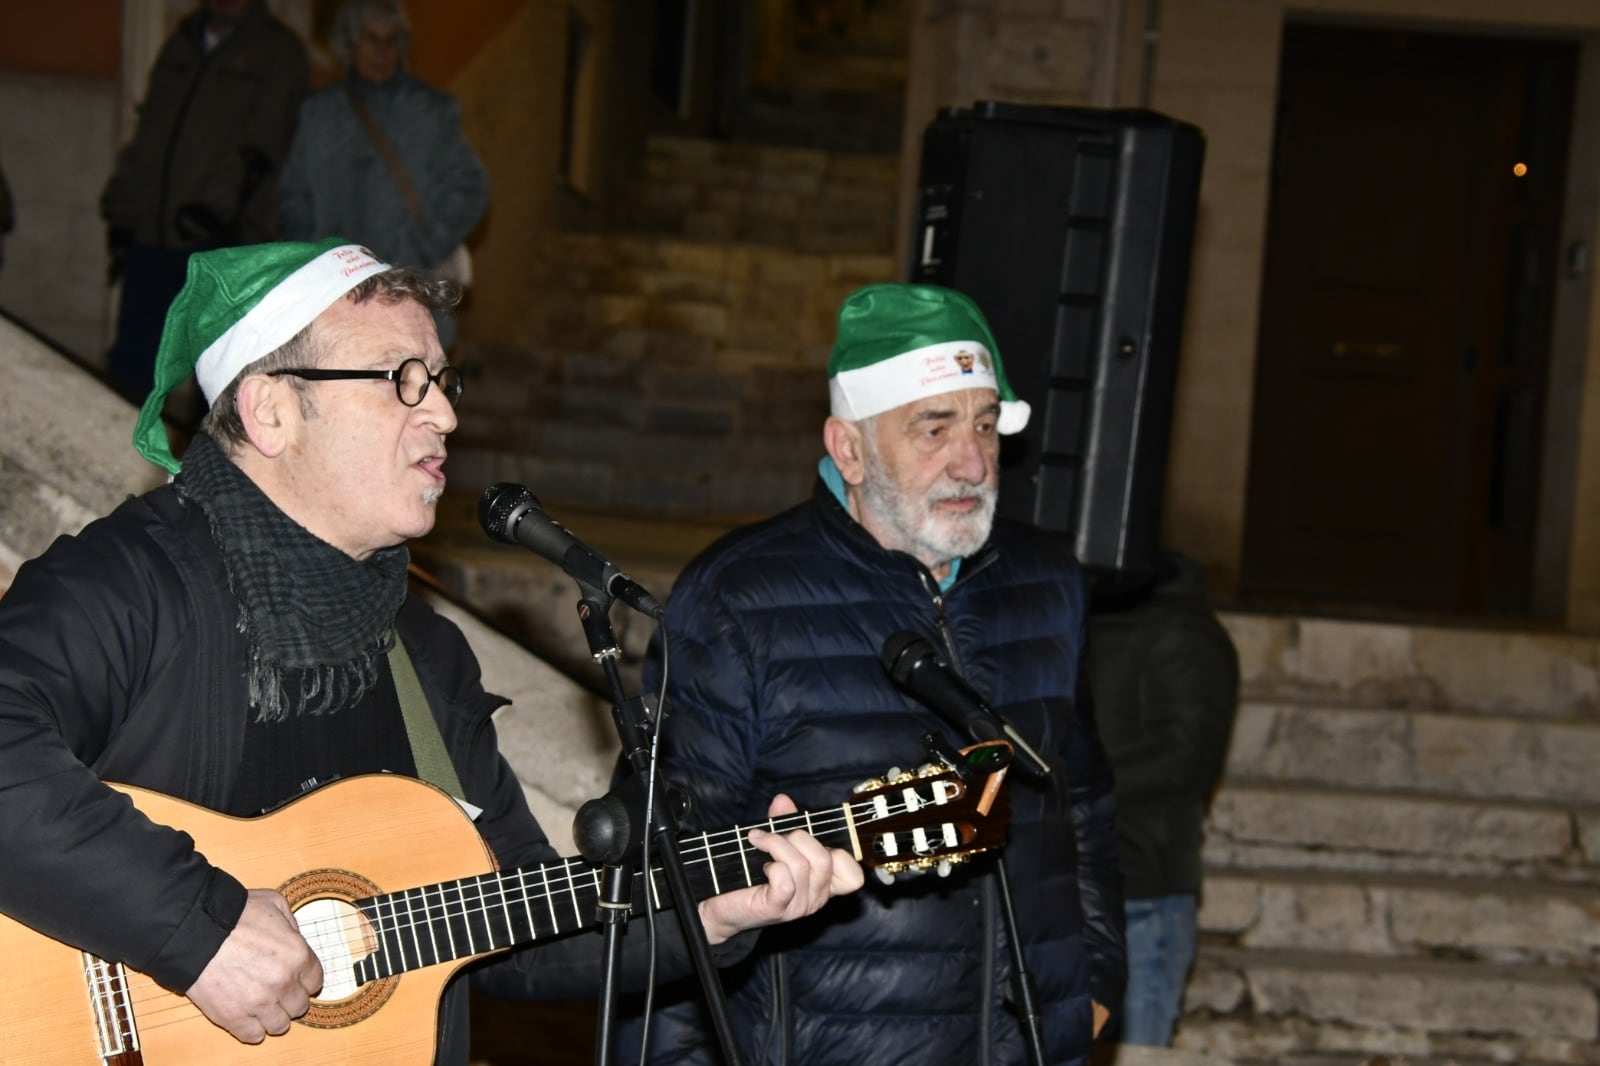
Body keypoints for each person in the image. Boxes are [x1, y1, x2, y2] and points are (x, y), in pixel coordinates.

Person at [0, 238, 861, 1064]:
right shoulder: (127, 582)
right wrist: (197, 924)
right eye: (400, 381)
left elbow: (515, 926)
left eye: (443, 380)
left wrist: (703, 913)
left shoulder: (425, 654)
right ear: (269, 410)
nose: (444, 412)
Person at [619, 283, 1125, 1064]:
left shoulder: (1046, 582)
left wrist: (1090, 994)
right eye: (935, 428)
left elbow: (1081, 805)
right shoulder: (739, 600)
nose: (973, 460)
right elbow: (672, 879)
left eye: (986, 425)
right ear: (848, 448)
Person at [101, 0, 308, 403]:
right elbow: (150, 132)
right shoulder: (180, 43)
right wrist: (124, 206)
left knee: (215, 386)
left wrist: (214, 211)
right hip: (151, 237)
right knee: (131, 371)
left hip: (220, 246)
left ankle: (204, 468)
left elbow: (263, 146)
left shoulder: (277, 52)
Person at [1088, 551, 1238, 1048]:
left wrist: (1066, 781)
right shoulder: (1080, 618)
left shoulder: (1184, 633)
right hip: (1077, 888)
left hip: (1143, 897)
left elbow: (1186, 761)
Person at [278, 0, 489, 347]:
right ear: (349, 44)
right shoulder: (319, 113)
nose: (382, 51)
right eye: (371, 38)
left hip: (411, 290)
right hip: (337, 292)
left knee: (410, 391)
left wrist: (424, 245)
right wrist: (314, 257)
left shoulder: (432, 112)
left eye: (391, 39)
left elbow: (471, 187)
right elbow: (294, 194)